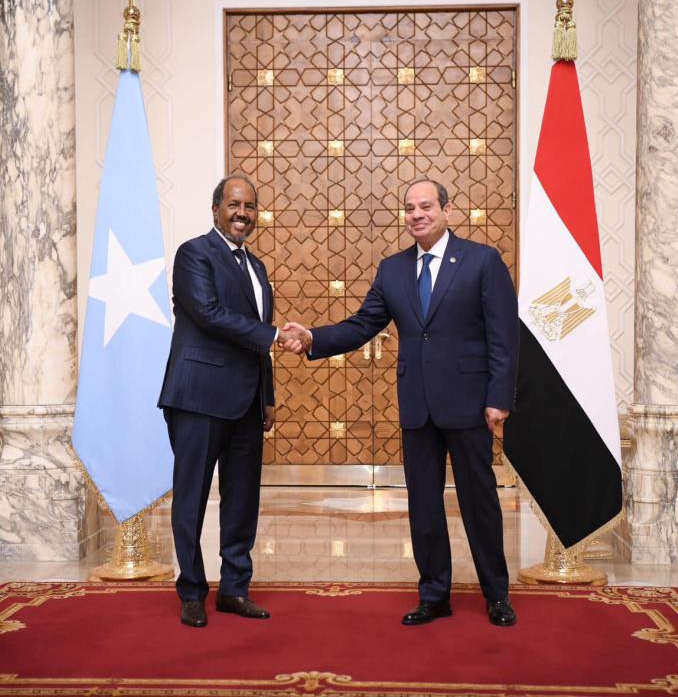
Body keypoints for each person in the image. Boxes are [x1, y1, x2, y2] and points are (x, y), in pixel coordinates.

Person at [283, 179, 519, 627]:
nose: (416, 214)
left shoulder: (482, 261)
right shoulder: (392, 269)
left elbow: (503, 334)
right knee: (423, 504)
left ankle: (497, 595)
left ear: (447, 211)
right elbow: (361, 325)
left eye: (425, 206)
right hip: (417, 406)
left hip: (470, 404)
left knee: (479, 502)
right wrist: (312, 337)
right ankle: (434, 595)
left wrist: (498, 397)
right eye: (409, 208)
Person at [158, 175, 305, 627]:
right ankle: (192, 592)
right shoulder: (194, 254)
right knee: (192, 498)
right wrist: (277, 335)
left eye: (251, 207)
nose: (243, 213)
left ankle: (235, 589)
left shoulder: (256, 268)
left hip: (245, 402)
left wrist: (269, 395)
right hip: (199, 397)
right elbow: (208, 314)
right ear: (216, 208)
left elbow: (254, 339)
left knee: (242, 500)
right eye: (234, 205)